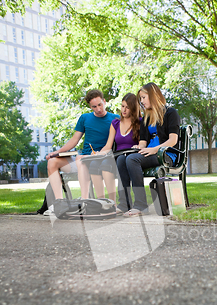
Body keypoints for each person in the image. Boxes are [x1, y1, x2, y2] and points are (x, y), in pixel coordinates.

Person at [43, 89, 118, 215]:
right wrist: (57, 152)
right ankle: (59, 204)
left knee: (81, 160)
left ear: (104, 101)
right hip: (83, 158)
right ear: (90, 106)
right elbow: (74, 140)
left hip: (99, 160)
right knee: (52, 162)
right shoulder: (85, 118)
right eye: (94, 106)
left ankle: (85, 201)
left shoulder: (115, 119)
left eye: (100, 104)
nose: (98, 109)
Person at [116, 82, 180, 217]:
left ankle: (141, 205)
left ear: (153, 95)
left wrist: (154, 149)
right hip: (150, 153)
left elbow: (173, 140)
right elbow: (143, 142)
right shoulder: (146, 117)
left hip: (166, 153)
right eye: (141, 99)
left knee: (132, 160)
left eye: (144, 97)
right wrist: (139, 147)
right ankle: (124, 204)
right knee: (122, 159)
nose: (142, 102)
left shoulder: (170, 113)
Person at [88, 93, 140, 209]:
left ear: (134, 108)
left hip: (129, 156)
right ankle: (101, 202)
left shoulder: (140, 122)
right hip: (116, 155)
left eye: (127, 107)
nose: (124, 110)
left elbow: (143, 143)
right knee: (93, 164)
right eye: (122, 106)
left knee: (106, 164)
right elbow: (108, 146)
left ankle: (112, 204)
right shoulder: (115, 123)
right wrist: (98, 153)